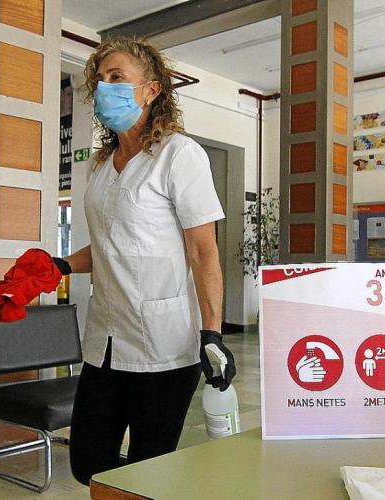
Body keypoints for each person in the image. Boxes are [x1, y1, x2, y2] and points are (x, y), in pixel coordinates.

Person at [55, 37, 236, 486]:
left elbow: (203, 250)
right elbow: (111, 245)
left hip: (163, 344)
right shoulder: (101, 165)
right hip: (105, 339)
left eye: (117, 77)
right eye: (100, 79)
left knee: (148, 468)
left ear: (151, 90)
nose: (105, 87)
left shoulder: (179, 155)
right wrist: (60, 266)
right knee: (87, 462)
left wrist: (212, 332)